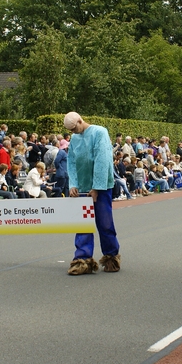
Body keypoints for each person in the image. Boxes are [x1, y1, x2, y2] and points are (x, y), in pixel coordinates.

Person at [64, 112, 120, 275]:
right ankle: (82, 259)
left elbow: (102, 160)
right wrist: (73, 184)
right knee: (82, 224)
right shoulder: (74, 139)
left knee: (105, 222)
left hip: (101, 188)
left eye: (74, 128)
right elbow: (72, 161)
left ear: (80, 121)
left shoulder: (99, 132)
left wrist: (97, 187)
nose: (74, 132)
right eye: (71, 130)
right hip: (82, 187)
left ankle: (111, 255)